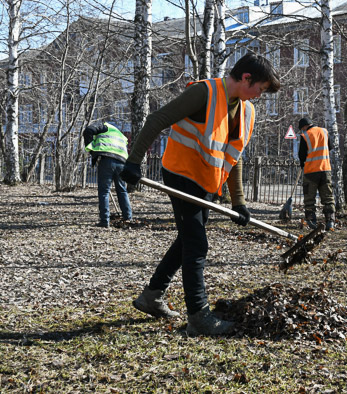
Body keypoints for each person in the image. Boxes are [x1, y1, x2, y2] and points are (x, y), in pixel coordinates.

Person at [119, 52, 281, 336]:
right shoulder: (205, 92)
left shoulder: (245, 111)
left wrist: (238, 202)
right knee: (197, 244)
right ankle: (198, 315)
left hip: (206, 182)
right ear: (246, 78)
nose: (259, 95)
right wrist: (134, 161)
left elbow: (235, 155)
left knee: (187, 239)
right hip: (181, 174)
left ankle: (152, 296)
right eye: (260, 88)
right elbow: (157, 119)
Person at [83, 122, 133, 228]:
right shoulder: (120, 134)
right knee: (122, 190)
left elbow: (88, 130)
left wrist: (91, 150)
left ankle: (104, 220)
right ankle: (128, 218)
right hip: (122, 162)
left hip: (107, 161)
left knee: (104, 191)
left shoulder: (104, 127)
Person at [297, 117, 336, 230]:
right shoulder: (324, 131)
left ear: (304, 127)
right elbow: (330, 147)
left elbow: (302, 155)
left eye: (302, 129)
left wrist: (302, 164)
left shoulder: (305, 136)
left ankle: (311, 221)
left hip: (311, 172)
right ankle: (330, 222)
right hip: (325, 169)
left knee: (309, 198)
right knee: (328, 197)